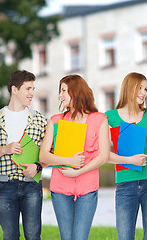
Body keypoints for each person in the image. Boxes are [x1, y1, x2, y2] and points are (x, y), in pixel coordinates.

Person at [0, 70, 47, 240]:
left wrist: (37, 167)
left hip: (32, 185)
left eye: (33, 88)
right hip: (5, 186)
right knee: (10, 236)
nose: (32, 93)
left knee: (33, 235)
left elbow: (50, 153)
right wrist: (5, 149)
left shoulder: (39, 119)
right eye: (28, 88)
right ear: (14, 90)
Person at [39, 74, 109, 240]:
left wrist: (78, 171)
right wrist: (68, 161)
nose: (60, 95)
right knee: (67, 237)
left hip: (87, 187)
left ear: (75, 92)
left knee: (79, 237)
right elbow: (43, 155)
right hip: (60, 187)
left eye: (63, 90)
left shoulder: (99, 119)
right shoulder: (55, 121)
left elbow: (104, 156)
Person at [105, 72, 147, 240]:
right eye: (139, 87)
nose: (144, 92)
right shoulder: (110, 118)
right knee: (124, 236)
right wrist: (129, 161)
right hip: (125, 183)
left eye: (146, 89)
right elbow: (104, 155)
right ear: (128, 88)